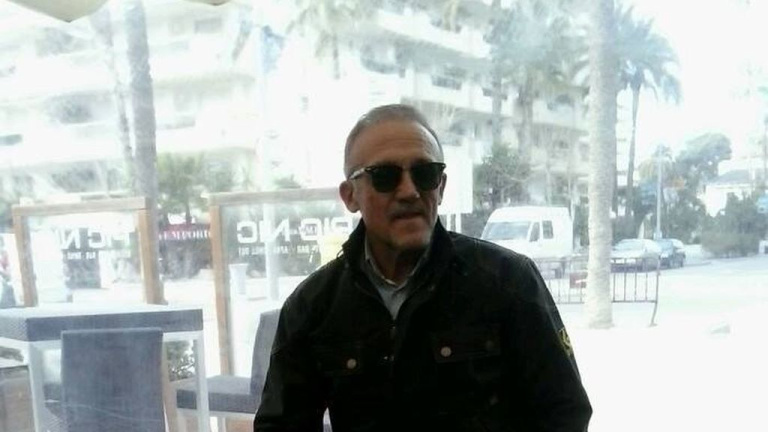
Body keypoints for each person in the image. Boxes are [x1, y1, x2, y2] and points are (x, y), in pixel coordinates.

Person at [254, 104, 591, 431]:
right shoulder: (313, 305)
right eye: (385, 176)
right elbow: (281, 424)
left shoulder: (508, 281)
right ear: (350, 196)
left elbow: (564, 412)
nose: (409, 191)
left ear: (440, 187)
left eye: (424, 174)